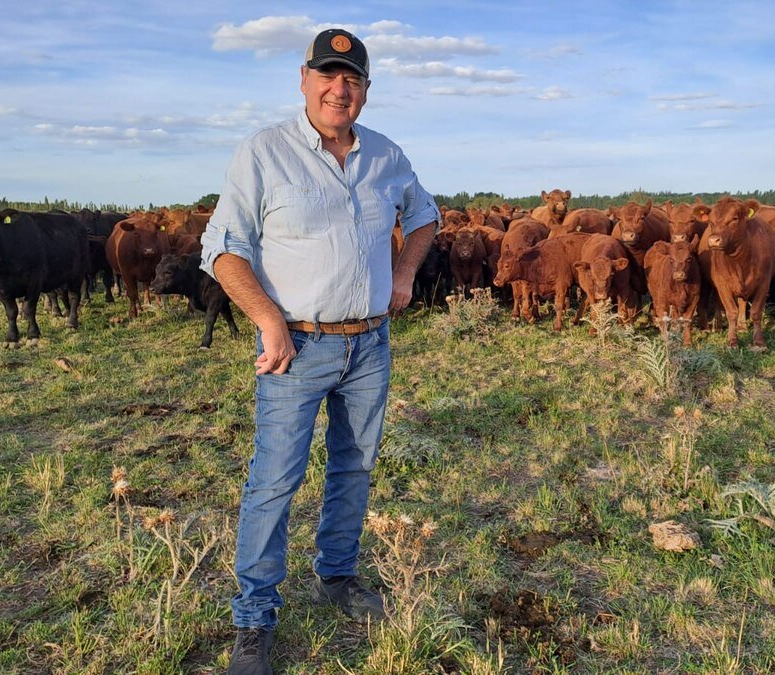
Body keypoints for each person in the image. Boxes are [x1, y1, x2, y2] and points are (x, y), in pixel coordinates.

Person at [199, 27, 439, 675]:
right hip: (294, 346)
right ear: (304, 78)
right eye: (329, 75)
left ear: (366, 90)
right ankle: (253, 617)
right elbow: (220, 247)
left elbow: (424, 215)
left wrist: (404, 275)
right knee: (275, 478)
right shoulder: (264, 153)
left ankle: (337, 576)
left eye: (353, 79)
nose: (341, 89)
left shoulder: (386, 155)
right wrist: (268, 320)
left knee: (354, 467)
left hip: (369, 343)